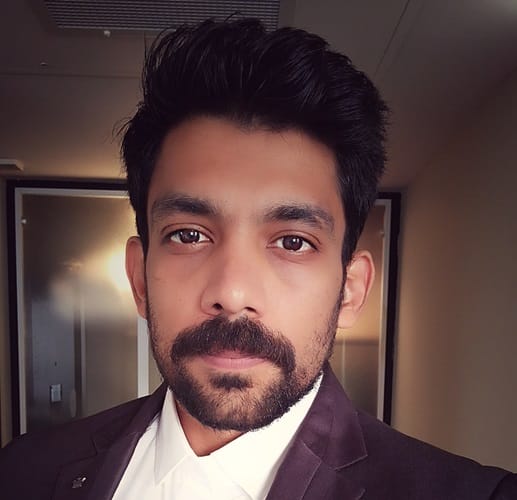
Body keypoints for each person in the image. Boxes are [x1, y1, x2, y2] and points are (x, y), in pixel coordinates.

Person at [0, 18, 515, 500]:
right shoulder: (24, 470)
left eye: (293, 242)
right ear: (138, 278)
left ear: (350, 290)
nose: (233, 292)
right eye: (188, 235)